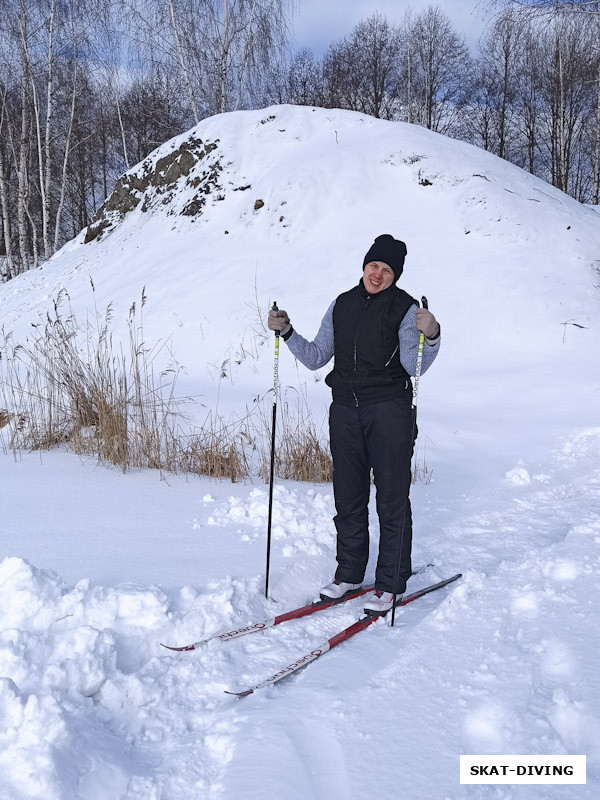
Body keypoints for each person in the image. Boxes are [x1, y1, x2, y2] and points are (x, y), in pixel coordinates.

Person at [268, 234, 440, 614]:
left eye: (387, 270)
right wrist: (287, 333)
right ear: (364, 265)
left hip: (389, 410)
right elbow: (316, 357)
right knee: (348, 495)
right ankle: (349, 573)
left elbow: (416, 366)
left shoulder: (406, 309)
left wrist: (433, 333)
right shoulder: (341, 304)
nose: (378, 275)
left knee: (391, 497)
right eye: (374, 266)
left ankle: (391, 582)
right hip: (344, 410)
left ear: (396, 276)